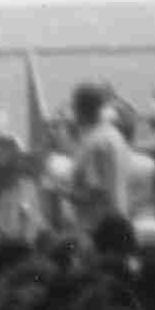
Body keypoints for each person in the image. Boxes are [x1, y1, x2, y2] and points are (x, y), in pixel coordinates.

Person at [66, 83, 132, 231]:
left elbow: (95, 194)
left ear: (77, 110)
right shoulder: (115, 136)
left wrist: (62, 191)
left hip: (97, 229)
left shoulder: (94, 142)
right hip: (118, 222)